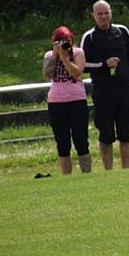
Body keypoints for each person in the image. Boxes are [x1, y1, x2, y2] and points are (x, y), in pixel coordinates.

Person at [81, 0, 129, 170]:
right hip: (103, 91)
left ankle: (126, 169)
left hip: (125, 90)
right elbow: (82, 65)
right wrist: (103, 64)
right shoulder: (89, 37)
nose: (103, 17)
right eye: (100, 14)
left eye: (106, 13)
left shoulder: (122, 31)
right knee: (106, 133)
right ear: (93, 15)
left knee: (126, 131)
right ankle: (108, 171)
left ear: (111, 13)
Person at [43, 26, 91, 174]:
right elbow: (47, 74)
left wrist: (65, 58)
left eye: (67, 41)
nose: (65, 44)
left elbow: (77, 72)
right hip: (56, 103)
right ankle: (67, 176)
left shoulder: (78, 53)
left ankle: (86, 173)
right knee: (62, 143)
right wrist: (55, 55)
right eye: (61, 41)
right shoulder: (49, 55)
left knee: (81, 140)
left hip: (77, 101)